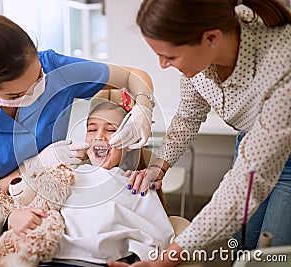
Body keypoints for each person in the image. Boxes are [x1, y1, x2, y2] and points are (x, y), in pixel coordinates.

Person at [0, 12, 156, 238]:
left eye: (38, 78)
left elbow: (133, 76)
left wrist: (144, 107)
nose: (33, 94)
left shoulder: (55, 68)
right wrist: (32, 170)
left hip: (52, 205)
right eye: (16, 94)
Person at [109, 0, 291, 266]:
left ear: (211, 39)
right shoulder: (202, 55)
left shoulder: (282, 63)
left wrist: (166, 259)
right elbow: (188, 116)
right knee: (246, 245)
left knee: (267, 257)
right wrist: (157, 168)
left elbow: (244, 186)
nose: (162, 65)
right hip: (251, 144)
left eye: (170, 56)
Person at [43, 100, 173, 266]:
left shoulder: (136, 183)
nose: (99, 136)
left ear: (129, 142)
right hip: (53, 257)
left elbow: (158, 236)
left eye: (111, 130)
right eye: (91, 129)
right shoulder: (68, 176)